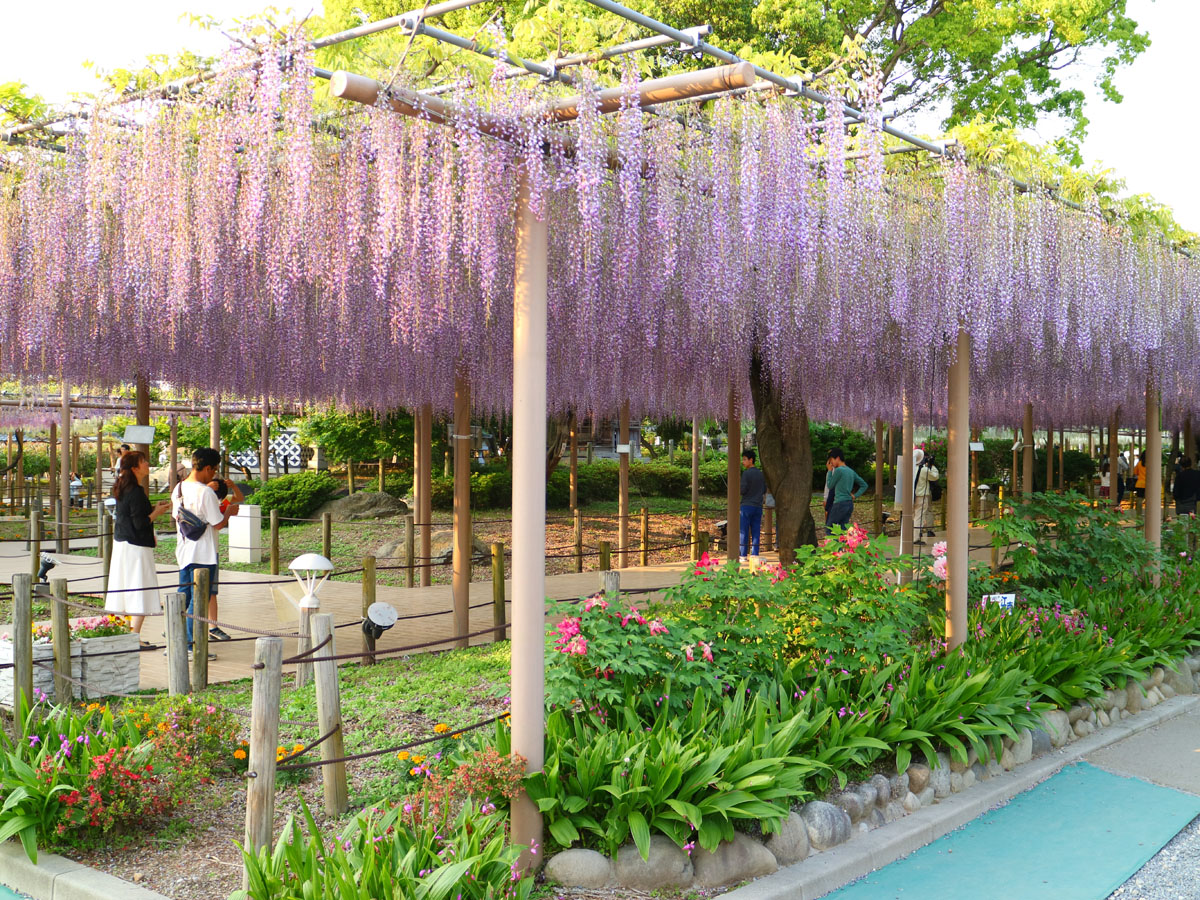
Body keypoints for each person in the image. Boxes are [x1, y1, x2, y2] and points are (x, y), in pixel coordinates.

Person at [173, 447, 239, 654]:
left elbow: (177, 516)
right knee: (198, 600)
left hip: (184, 551)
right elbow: (217, 523)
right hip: (204, 553)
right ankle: (190, 645)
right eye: (214, 470)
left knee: (183, 598)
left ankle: (176, 642)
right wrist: (229, 513)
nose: (214, 474)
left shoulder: (179, 489)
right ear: (207, 467)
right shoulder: (206, 492)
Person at [105, 451, 172, 644]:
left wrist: (152, 509)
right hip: (136, 547)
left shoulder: (124, 488)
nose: (147, 464)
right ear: (135, 467)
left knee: (125, 588)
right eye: (143, 461)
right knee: (139, 588)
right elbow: (140, 523)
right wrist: (156, 513)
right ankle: (134, 636)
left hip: (123, 544)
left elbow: (133, 515)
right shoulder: (135, 491)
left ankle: (125, 634)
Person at [825, 447, 867, 531]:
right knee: (843, 530)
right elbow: (864, 485)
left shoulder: (839, 470)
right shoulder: (850, 471)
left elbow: (830, 485)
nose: (831, 463)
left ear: (837, 458)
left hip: (839, 504)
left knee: (829, 529)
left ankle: (834, 544)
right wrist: (855, 495)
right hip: (849, 504)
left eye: (831, 460)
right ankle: (843, 544)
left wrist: (829, 471)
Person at [739, 449, 765, 557]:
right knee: (756, 531)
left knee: (744, 531)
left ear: (751, 460)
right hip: (758, 506)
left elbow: (742, 490)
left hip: (746, 505)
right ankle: (755, 554)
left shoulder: (746, 474)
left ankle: (743, 555)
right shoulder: (761, 474)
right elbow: (764, 489)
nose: (743, 462)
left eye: (745, 459)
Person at [913, 447, 940, 542]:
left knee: (912, 516)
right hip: (921, 496)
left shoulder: (910, 468)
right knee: (919, 516)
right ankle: (915, 538)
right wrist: (931, 465)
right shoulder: (924, 470)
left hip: (911, 495)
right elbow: (935, 476)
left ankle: (910, 535)